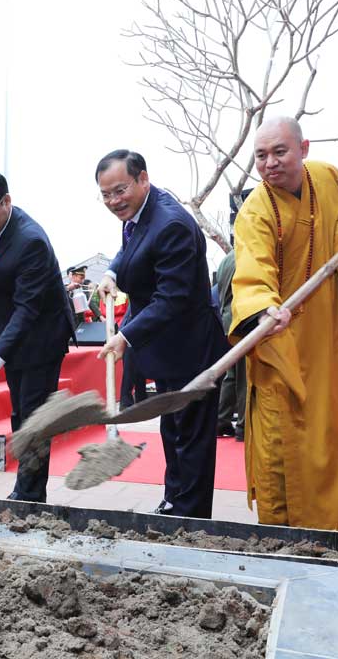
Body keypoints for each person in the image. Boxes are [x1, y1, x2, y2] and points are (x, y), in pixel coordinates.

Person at [229, 116, 338, 553]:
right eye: (261, 155)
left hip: (336, 331)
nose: (270, 163)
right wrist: (263, 308)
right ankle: (290, 533)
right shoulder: (256, 210)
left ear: (303, 148)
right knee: (289, 437)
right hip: (286, 340)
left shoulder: (328, 177)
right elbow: (253, 269)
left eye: (280, 152)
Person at [96, 149, 229, 519]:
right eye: (106, 194)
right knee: (173, 430)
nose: (113, 201)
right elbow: (130, 247)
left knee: (192, 437)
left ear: (143, 179)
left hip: (191, 348)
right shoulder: (142, 212)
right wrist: (112, 273)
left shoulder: (170, 222)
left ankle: (190, 515)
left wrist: (125, 336)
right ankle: (175, 501)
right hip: (168, 350)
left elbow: (171, 297)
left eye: (120, 190)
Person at [0, 170, 74, 503]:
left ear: (6, 202)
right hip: (13, 329)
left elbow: (28, 309)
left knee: (35, 417)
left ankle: (30, 496)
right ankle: (24, 487)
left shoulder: (30, 241)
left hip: (41, 337)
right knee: (19, 414)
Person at [215, 248, 246, 441]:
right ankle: (243, 427)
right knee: (244, 377)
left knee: (231, 375)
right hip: (241, 321)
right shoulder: (246, 256)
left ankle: (220, 420)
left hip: (226, 320)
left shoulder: (225, 260)